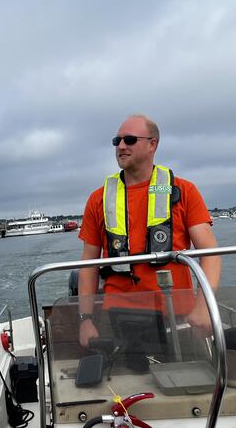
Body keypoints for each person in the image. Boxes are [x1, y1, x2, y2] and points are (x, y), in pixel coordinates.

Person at [78, 114, 221, 348]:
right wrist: (85, 320)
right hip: (120, 317)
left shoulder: (182, 191)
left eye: (130, 140)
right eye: (117, 141)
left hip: (179, 315)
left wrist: (204, 307)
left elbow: (210, 253)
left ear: (152, 144)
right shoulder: (98, 199)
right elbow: (88, 264)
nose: (121, 146)